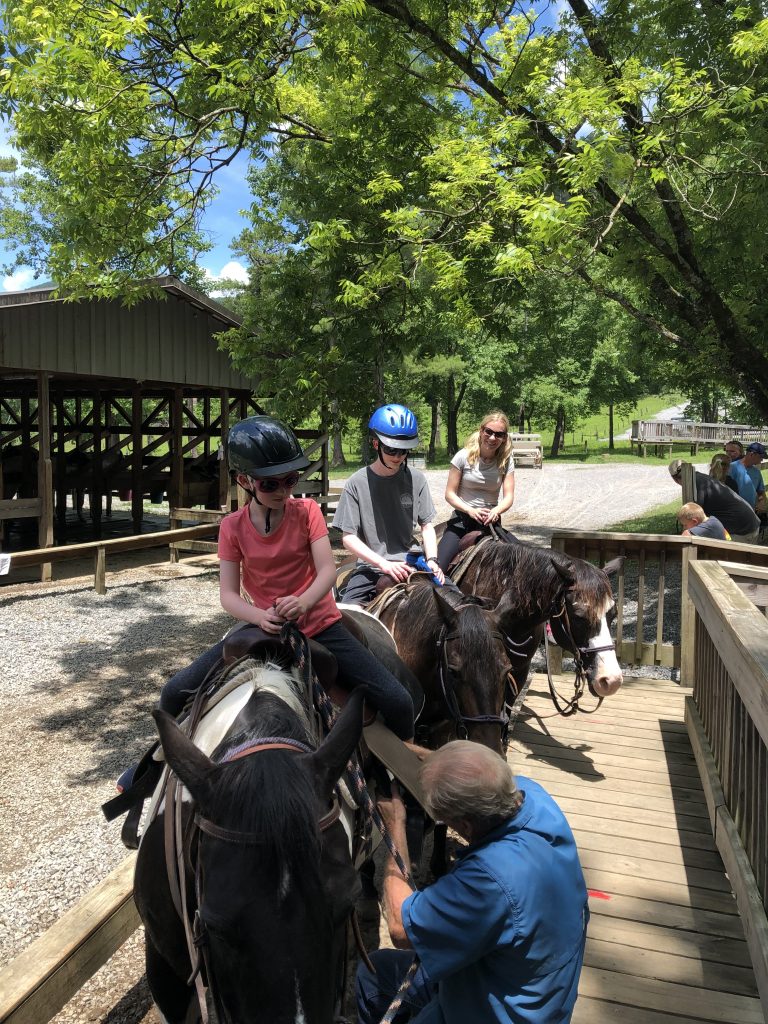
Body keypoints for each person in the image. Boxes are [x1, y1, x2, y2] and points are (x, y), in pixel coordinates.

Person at [117, 417, 416, 791]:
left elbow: (326, 570)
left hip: (321, 624)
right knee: (174, 691)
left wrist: (304, 602)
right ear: (245, 481)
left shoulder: (307, 512)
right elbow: (228, 595)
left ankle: (402, 781)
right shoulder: (232, 527)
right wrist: (260, 616)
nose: (284, 490)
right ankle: (152, 773)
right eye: (271, 483)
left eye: (291, 480)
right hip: (263, 626)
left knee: (398, 699)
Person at [356, 742, 589, 1024]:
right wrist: (393, 745)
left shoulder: (487, 881)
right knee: (376, 971)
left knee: (372, 979)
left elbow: (399, 927)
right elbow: (479, 773)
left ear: (464, 827)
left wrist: (396, 826)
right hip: (537, 996)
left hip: (497, 1015)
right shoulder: (534, 798)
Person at [332, 404, 445, 605]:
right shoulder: (356, 483)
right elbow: (348, 537)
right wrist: (383, 564)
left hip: (412, 562)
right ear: (376, 444)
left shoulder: (417, 479)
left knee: (456, 603)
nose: (398, 457)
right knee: (347, 616)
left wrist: (433, 560)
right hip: (371, 567)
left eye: (403, 451)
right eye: (391, 449)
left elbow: (427, 526)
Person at [436, 410, 516, 573]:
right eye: (489, 432)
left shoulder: (506, 461)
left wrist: (496, 511)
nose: (493, 438)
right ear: (481, 431)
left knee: (523, 562)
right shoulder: (462, 457)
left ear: (504, 438)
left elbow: (509, 497)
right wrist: (470, 510)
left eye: (499, 434)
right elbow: (449, 494)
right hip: (462, 521)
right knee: (437, 569)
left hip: (491, 522)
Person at [668, 458, 760, 544]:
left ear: (675, 479)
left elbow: (694, 520)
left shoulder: (695, 484)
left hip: (743, 530)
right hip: (749, 524)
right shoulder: (700, 479)